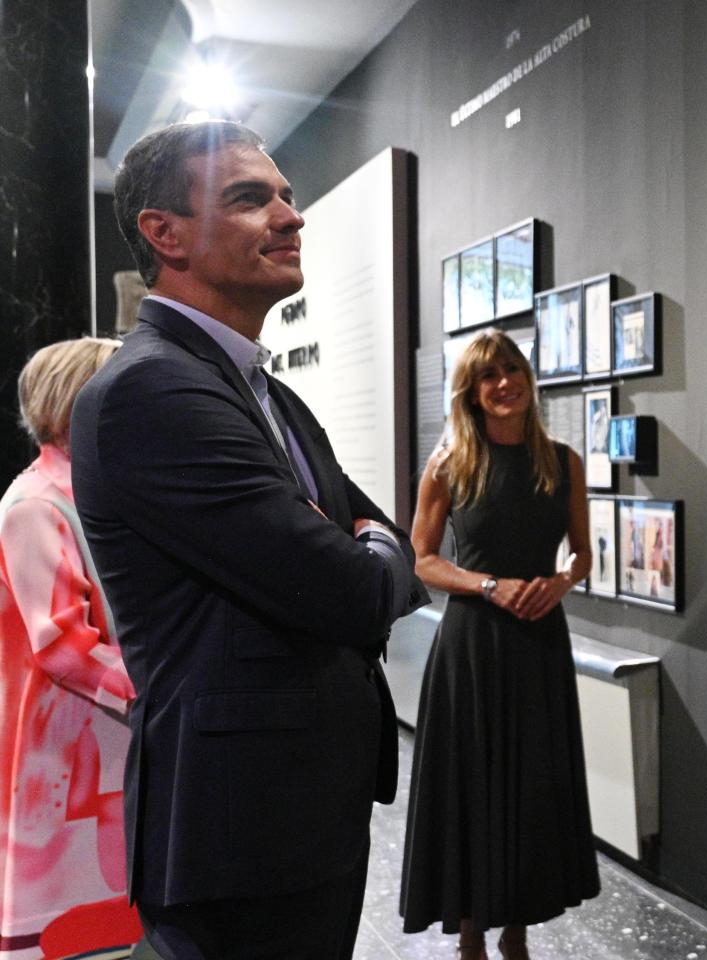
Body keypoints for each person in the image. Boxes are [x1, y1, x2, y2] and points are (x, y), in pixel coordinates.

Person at [71, 120, 428, 960]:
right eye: (249, 198)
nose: (290, 216)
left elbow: (384, 537)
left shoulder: (262, 391)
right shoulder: (154, 390)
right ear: (164, 234)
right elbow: (357, 589)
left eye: (287, 196)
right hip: (238, 832)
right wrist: (371, 550)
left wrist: (371, 545)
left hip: (296, 813)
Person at [401, 329, 600, 958]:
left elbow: (583, 554)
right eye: (489, 375)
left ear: (528, 379)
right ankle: (470, 935)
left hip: (539, 642)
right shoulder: (450, 463)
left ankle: (517, 931)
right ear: (471, 391)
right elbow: (422, 560)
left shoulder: (561, 461)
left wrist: (560, 583)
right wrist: (489, 585)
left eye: (513, 369)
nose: (505, 383)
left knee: (531, 785)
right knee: (474, 783)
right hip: (473, 646)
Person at [1, 338, 138, 958]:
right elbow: (62, 646)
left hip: (106, 739)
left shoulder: (90, 492)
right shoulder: (35, 505)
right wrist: (160, 691)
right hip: (68, 752)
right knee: (75, 931)